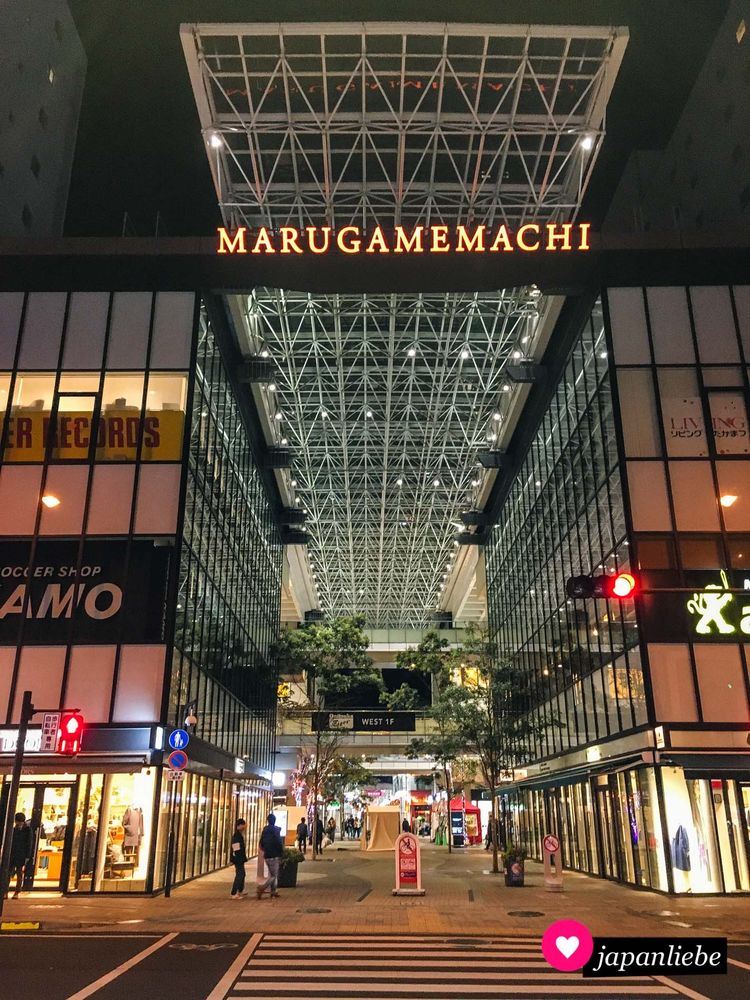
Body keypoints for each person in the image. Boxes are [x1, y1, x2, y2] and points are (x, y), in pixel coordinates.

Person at [257, 813, 284, 899]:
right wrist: (281, 853)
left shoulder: (265, 830)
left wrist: (265, 849)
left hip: (267, 855)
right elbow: (279, 843)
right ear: (274, 821)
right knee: (274, 875)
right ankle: (262, 888)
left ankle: (273, 892)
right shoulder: (276, 830)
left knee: (273, 874)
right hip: (274, 855)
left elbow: (261, 843)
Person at [7, 813, 32, 899]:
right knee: (8, 873)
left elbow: (29, 843)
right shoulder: (13, 829)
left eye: (19, 822)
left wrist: (27, 856)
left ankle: (17, 892)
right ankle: (5, 891)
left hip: (21, 854)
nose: (18, 824)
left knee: (19, 873)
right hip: (12, 854)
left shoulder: (27, 830)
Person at [230, 818, 248, 898]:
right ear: (239, 825)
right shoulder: (237, 836)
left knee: (242, 874)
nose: (244, 827)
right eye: (243, 825)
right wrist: (238, 856)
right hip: (238, 858)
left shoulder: (239, 835)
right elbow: (236, 848)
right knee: (240, 874)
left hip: (240, 858)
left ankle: (240, 890)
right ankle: (234, 893)